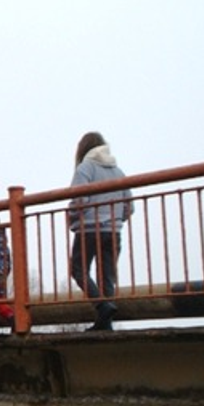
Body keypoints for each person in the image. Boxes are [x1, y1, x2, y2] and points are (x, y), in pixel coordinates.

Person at [68, 132, 134, 331]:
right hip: (113, 231)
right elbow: (129, 206)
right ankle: (106, 323)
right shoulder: (118, 171)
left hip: (89, 229)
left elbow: (79, 200)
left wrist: (71, 217)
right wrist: (115, 219)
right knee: (107, 276)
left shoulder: (85, 168)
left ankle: (102, 307)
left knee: (78, 270)